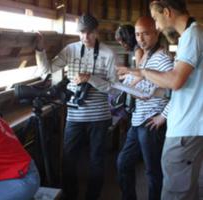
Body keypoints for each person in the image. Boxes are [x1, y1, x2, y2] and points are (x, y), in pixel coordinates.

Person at [118, 0, 203, 199]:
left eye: (155, 19)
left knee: (174, 190)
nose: (156, 25)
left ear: (167, 12)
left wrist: (143, 72)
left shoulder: (193, 35)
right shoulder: (189, 36)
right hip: (185, 124)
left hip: (186, 126)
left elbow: (174, 81)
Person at [35, 14, 117, 200]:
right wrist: (40, 49)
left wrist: (91, 78)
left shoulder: (108, 53)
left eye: (89, 33)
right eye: (81, 32)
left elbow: (114, 88)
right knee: (68, 159)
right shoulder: (70, 50)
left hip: (100, 117)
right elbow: (46, 71)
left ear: (97, 32)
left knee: (97, 160)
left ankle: (92, 197)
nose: (85, 37)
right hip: (74, 115)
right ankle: (71, 196)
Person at [116, 16, 173, 200]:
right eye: (137, 34)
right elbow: (140, 83)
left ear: (156, 32)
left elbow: (178, 93)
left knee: (153, 172)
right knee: (123, 163)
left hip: (151, 121)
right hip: (137, 119)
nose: (140, 38)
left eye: (145, 34)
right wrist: (126, 83)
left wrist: (162, 116)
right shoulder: (146, 56)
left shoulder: (164, 60)